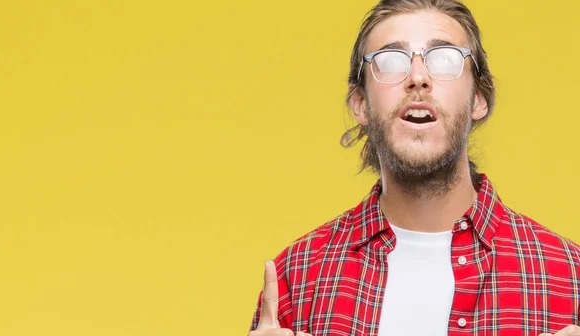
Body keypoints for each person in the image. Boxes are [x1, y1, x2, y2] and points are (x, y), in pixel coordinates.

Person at [248, 0, 580, 335]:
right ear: (361, 104)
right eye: (391, 61)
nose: (418, 78)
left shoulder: (571, 278)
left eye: (445, 59)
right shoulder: (297, 277)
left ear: (478, 98)